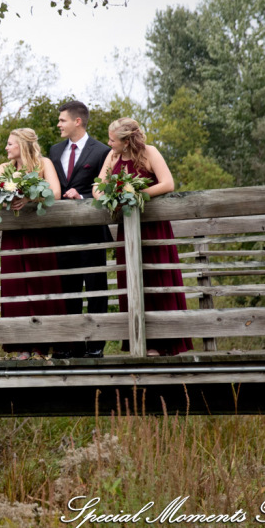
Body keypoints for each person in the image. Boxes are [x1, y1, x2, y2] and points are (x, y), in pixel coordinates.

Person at [92, 117, 191, 356]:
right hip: (126, 229)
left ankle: (164, 343)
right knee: (130, 281)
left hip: (153, 228)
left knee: (157, 279)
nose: (109, 143)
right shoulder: (112, 157)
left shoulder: (150, 152)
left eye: (112, 140)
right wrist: (109, 198)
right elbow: (97, 188)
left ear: (126, 141)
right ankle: (140, 342)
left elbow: (168, 183)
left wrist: (136, 194)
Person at [0, 128, 66, 360]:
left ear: (22, 145)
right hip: (13, 235)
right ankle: (22, 346)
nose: (6, 148)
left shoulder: (44, 163)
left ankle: (44, 345)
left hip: (39, 233)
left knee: (41, 285)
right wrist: (8, 196)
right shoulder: (4, 169)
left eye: (10, 144)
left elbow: (56, 192)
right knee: (16, 288)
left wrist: (29, 197)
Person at [48, 100, 112, 359]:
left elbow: (105, 188)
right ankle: (72, 343)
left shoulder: (102, 151)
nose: (58, 124)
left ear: (77, 121)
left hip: (91, 230)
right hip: (61, 231)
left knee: (96, 287)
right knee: (68, 288)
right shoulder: (54, 151)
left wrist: (84, 196)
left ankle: (96, 344)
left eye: (62, 120)